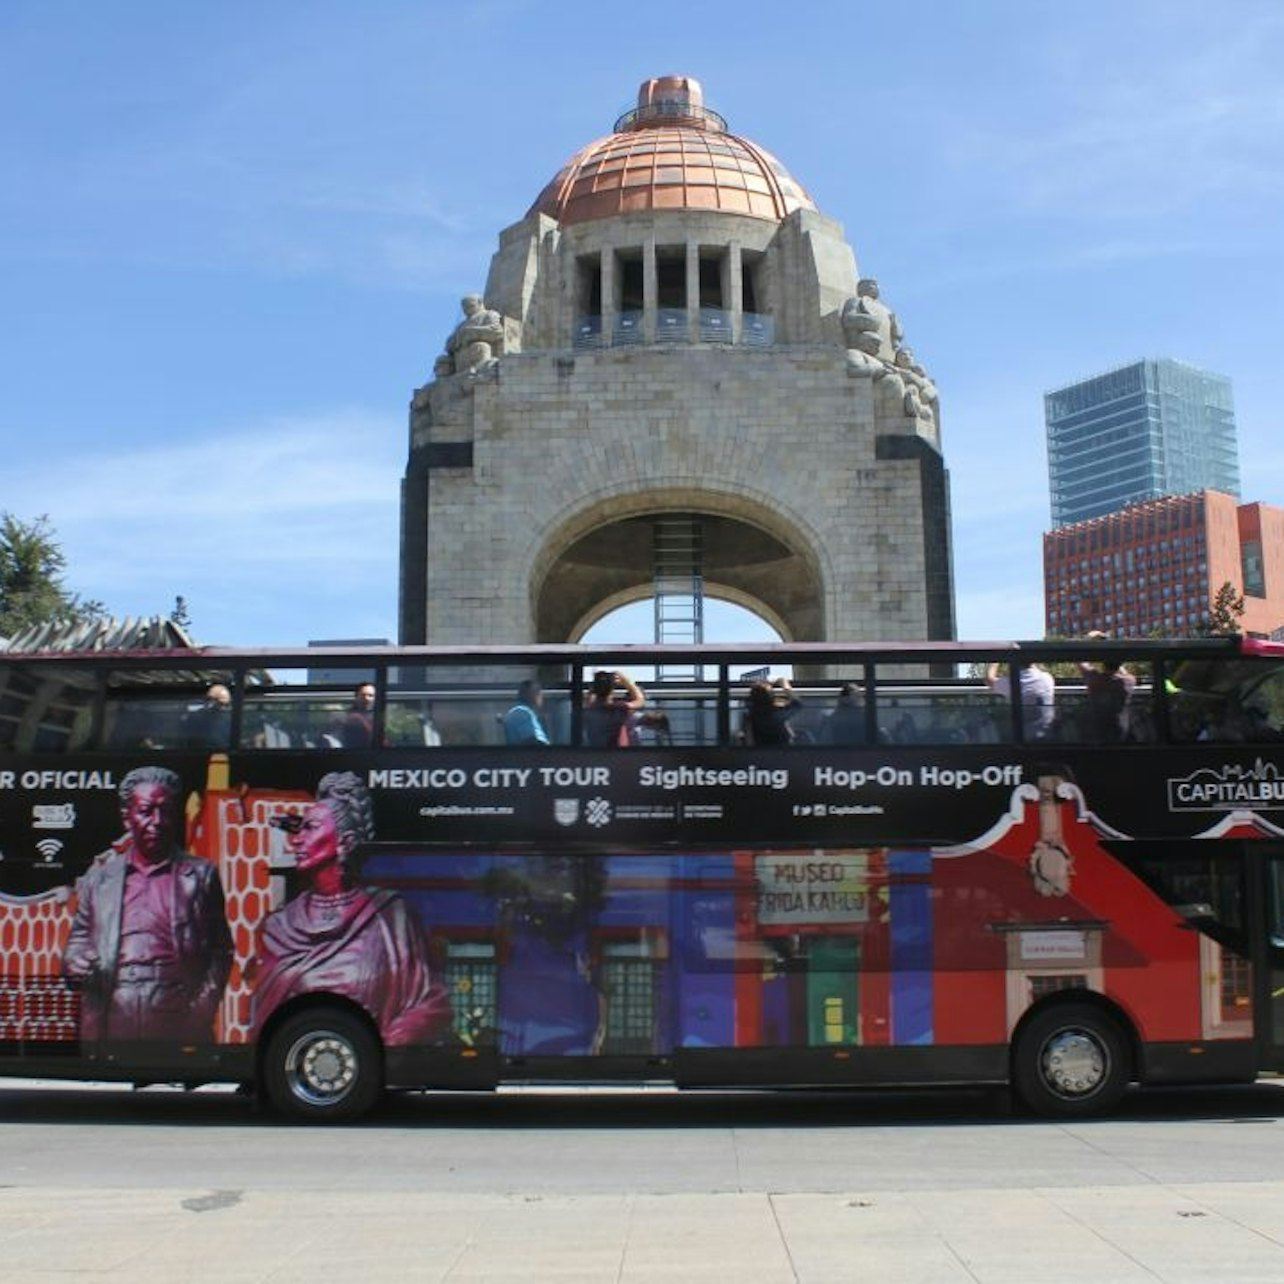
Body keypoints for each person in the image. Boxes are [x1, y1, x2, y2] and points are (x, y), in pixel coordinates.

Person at [251, 772, 450, 1046]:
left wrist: (381, 1047)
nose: (296, 839)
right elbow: (263, 1016)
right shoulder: (279, 926)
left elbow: (433, 1002)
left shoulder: (390, 916)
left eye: (311, 828)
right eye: (299, 829)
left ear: (344, 842)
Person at [63, 766, 233, 1042]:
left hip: (177, 1010)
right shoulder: (99, 880)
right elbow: (79, 939)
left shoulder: (201, 876)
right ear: (127, 818)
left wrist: (202, 1010)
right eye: (145, 811)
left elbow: (221, 950)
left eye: (165, 811)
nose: (157, 821)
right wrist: (74, 961)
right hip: (114, 1009)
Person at [985, 660, 1055, 741]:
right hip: (1048, 737)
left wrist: (995, 659)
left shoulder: (1012, 682)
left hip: (1022, 739)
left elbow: (989, 680)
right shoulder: (1047, 678)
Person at [582, 670, 645, 748]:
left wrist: (594, 687)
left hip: (593, 753)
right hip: (613, 754)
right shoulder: (617, 710)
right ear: (612, 690)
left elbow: (589, 699)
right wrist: (626, 681)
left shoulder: (589, 709)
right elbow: (640, 701)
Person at [745, 677, 801, 746]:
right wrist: (785, 685)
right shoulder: (776, 714)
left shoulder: (751, 716)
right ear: (770, 698)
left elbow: (749, 741)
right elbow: (797, 704)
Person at [182, 683, 232, 749]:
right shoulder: (196, 718)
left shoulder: (231, 718)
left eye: (226, 705)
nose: (223, 708)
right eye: (220, 704)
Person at [503, 680, 550, 746]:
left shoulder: (519, 712)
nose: (542, 698)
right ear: (534, 695)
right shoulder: (522, 713)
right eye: (540, 694)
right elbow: (531, 740)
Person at [338, 682, 376, 748]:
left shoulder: (378, 714)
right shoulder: (351, 717)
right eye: (363, 695)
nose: (366, 698)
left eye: (370, 695)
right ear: (356, 697)